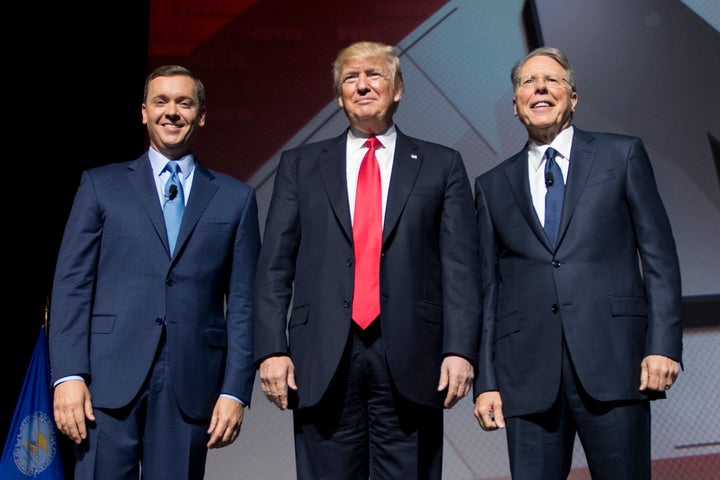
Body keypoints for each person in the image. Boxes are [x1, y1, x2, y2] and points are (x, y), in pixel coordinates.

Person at [254, 41, 481, 479]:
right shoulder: (300, 165)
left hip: (415, 355)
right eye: (350, 78)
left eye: (374, 74)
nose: (362, 85)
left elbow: (461, 268)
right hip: (320, 356)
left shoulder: (441, 164)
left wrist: (460, 349)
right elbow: (274, 265)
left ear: (397, 89)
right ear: (339, 96)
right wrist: (271, 349)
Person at [472, 46, 683, 479]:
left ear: (573, 98)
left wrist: (662, 345)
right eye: (528, 82)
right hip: (527, 380)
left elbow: (659, 257)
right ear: (515, 106)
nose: (540, 88)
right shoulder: (491, 186)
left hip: (615, 364)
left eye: (553, 80)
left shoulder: (621, 155)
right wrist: (487, 381)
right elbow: (489, 290)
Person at [49, 65, 261, 479]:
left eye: (185, 102)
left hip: (190, 384)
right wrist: (69, 375)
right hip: (105, 384)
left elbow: (243, 304)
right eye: (161, 101)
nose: (172, 112)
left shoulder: (236, 199)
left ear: (201, 115)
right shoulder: (100, 185)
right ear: (143, 112)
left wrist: (235, 390)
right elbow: (72, 286)